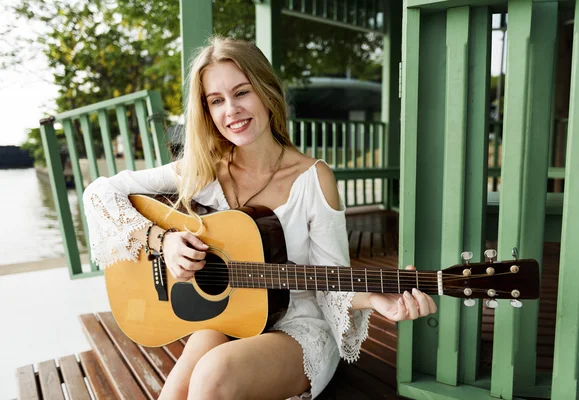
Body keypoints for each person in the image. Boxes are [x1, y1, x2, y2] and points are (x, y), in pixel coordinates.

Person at [83, 36, 437, 400]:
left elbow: (333, 281)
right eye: (216, 100)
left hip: (296, 327)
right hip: (229, 316)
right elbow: (99, 194)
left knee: (211, 375)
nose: (231, 110)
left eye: (242, 92)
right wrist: (163, 240)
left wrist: (376, 300)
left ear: (267, 93)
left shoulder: (313, 179)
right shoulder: (200, 171)